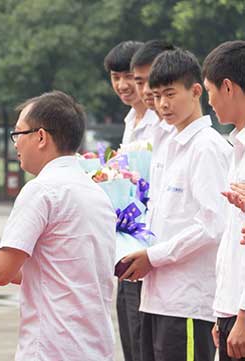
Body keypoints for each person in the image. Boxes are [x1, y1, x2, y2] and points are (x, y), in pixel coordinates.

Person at [0, 90, 116, 361]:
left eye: (18, 134)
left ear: (40, 137)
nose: (15, 144)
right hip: (93, 347)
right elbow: (35, 270)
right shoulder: (95, 192)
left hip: (52, 347)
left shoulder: (41, 190)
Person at [121, 48, 231, 361]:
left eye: (170, 94)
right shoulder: (168, 145)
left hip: (188, 302)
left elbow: (214, 224)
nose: (163, 104)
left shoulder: (207, 148)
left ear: (196, 91)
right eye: (155, 96)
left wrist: (153, 257)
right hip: (156, 298)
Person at [104, 40, 158, 361]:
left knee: (145, 340)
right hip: (125, 241)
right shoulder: (129, 121)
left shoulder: (159, 122)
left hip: (151, 244)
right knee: (130, 336)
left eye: (130, 78)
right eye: (115, 77)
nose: (123, 86)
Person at [203, 40, 245, 361]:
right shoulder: (236, 147)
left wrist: (242, 314)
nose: (210, 102)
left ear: (227, 86)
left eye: (209, 91)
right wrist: (225, 308)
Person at [130, 40, 176, 226]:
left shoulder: (198, 142)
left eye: (153, 81)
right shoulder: (156, 130)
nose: (147, 90)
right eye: (140, 83)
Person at [104, 40, 159, 146]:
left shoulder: (163, 119)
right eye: (116, 77)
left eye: (129, 76)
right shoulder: (130, 119)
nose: (122, 86)